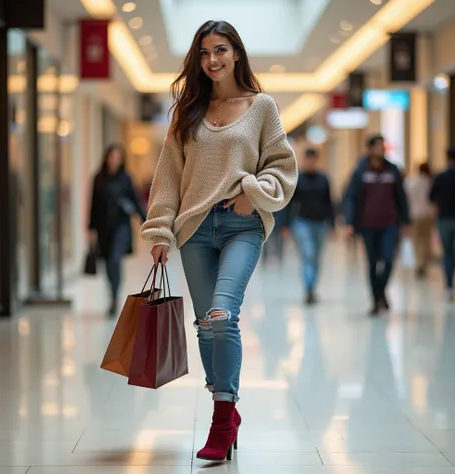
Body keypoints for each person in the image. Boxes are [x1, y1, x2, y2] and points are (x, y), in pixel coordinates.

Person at [140, 20, 297, 462]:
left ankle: (222, 416)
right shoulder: (187, 112)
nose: (213, 60)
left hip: (240, 227)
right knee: (206, 325)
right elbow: (168, 179)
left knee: (222, 314)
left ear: (236, 54)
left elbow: (282, 165)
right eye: (205, 52)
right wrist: (159, 231)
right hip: (193, 230)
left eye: (221, 50)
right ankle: (224, 405)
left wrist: (254, 192)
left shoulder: (261, 106)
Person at [344, 134, 410, 316]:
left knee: (388, 260)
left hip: (390, 223)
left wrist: (406, 221)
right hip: (368, 224)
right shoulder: (360, 171)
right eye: (379, 146)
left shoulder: (393, 170)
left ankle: (381, 291)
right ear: (370, 149)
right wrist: (349, 222)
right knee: (373, 262)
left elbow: (401, 196)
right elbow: (351, 198)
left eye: (383, 146)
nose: (382, 149)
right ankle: (375, 299)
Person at [88, 144, 146, 316]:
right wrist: (90, 227)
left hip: (121, 226)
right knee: (108, 262)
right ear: (106, 158)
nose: (114, 160)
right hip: (103, 227)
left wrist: (146, 220)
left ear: (121, 160)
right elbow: (94, 204)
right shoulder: (98, 178)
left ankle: (114, 297)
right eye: (111, 157)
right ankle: (112, 293)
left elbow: (136, 200)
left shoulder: (126, 178)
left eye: (117, 157)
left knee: (115, 258)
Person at [286, 148, 334, 304]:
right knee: (308, 255)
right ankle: (308, 289)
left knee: (316, 258)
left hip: (320, 223)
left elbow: (329, 202)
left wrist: (332, 223)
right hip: (302, 223)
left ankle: (312, 287)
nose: (310, 162)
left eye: (313, 159)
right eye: (308, 159)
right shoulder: (297, 179)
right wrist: (285, 224)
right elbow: (289, 203)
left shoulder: (323, 179)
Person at [429, 148, 455, 301]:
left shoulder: (440, 177)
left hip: (444, 218)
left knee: (447, 252)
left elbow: (431, 197)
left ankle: (449, 285)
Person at [404, 162, 436, 278]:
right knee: (426, 239)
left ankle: (419, 263)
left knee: (416, 240)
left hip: (414, 214)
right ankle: (424, 263)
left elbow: (405, 198)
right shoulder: (430, 182)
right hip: (428, 214)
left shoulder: (410, 182)